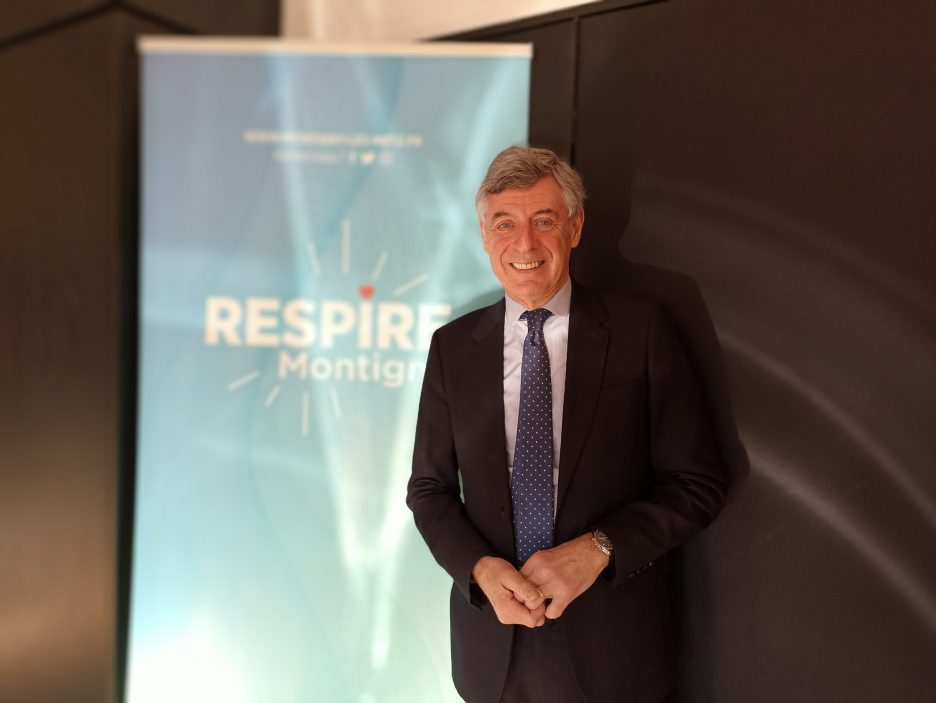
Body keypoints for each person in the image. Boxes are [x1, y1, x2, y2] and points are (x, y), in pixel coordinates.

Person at [407, 146, 728, 703]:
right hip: (493, 651)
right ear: (484, 236)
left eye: (544, 220)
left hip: (615, 649)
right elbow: (429, 490)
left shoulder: (640, 330)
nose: (524, 244)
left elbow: (698, 484)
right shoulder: (451, 348)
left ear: (575, 228)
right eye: (504, 224)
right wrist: (479, 571)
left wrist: (598, 550)